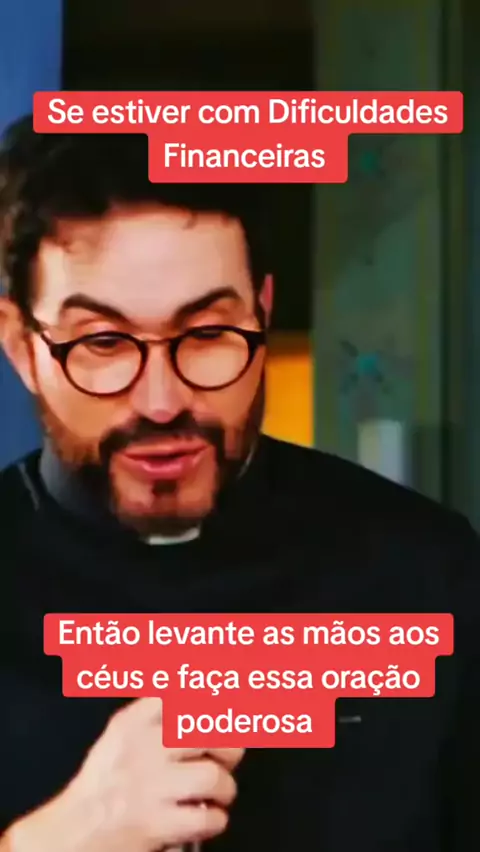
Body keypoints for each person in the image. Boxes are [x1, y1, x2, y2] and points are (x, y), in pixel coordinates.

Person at [0, 115, 478, 852]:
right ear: (21, 346)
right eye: (103, 342)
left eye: (208, 334)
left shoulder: (426, 572)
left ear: (264, 312)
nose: (162, 402)